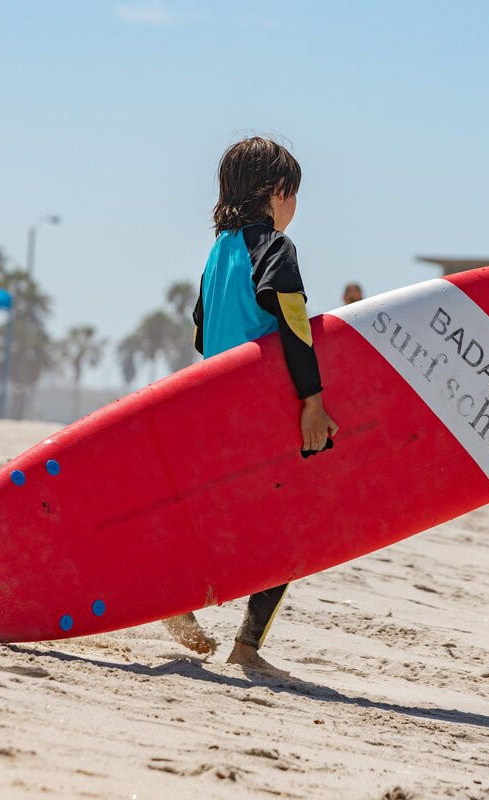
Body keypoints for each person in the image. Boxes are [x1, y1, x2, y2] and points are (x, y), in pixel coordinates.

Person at [161, 136, 337, 673]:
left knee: (221, 513)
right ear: (276, 191)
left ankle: (179, 600)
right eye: (294, 195)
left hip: (211, 405)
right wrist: (313, 402)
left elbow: (199, 332)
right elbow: (295, 327)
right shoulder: (276, 250)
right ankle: (247, 649)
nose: (294, 208)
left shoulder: (218, 255)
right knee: (290, 527)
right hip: (262, 411)